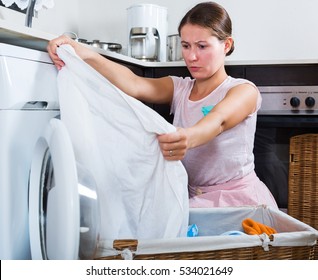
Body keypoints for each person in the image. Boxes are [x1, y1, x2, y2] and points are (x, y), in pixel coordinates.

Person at [47, 1, 278, 209]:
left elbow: (219, 120)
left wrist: (187, 136)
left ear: (226, 45)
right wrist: (84, 54)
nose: (191, 56)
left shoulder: (243, 90)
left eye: (202, 46)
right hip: (191, 197)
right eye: (186, 46)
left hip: (237, 200)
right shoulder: (180, 88)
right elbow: (135, 84)